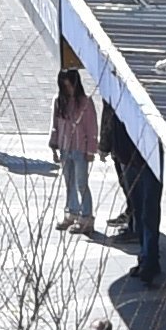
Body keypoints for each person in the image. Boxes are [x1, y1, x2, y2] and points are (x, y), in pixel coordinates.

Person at [53, 57, 102, 232]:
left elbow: (91, 127)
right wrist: (54, 146)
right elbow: (55, 126)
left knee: (82, 183)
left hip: (81, 149)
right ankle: (71, 213)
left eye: (70, 85)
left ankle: (86, 217)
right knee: (69, 182)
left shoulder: (85, 103)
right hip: (65, 148)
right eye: (64, 86)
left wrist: (91, 150)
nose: (68, 90)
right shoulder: (59, 102)